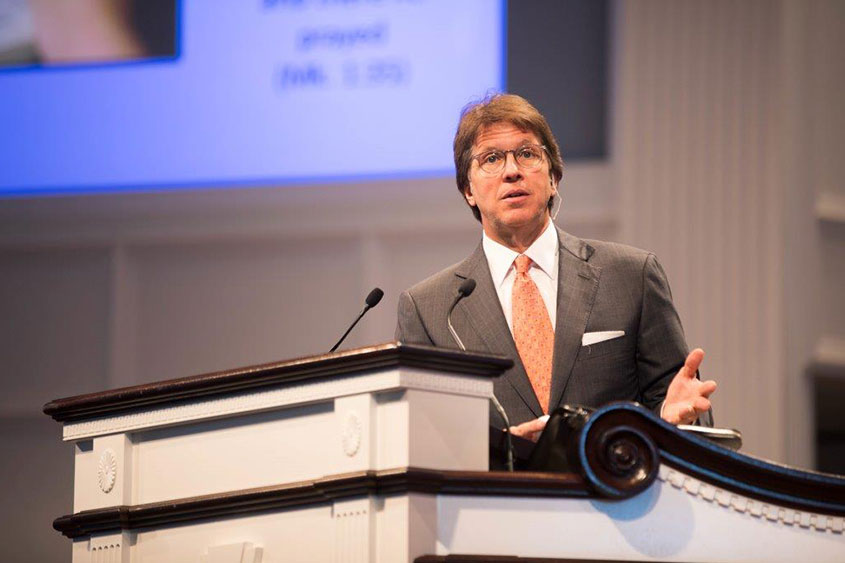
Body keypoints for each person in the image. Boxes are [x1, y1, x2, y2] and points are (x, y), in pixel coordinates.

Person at [395, 93, 716, 440]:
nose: (512, 171)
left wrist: (675, 419)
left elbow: (686, 410)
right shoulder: (430, 310)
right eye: (491, 159)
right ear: (467, 189)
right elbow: (420, 443)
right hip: (498, 494)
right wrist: (504, 455)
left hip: (614, 490)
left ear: (553, 178)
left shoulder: (631, 276)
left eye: (527, 154)